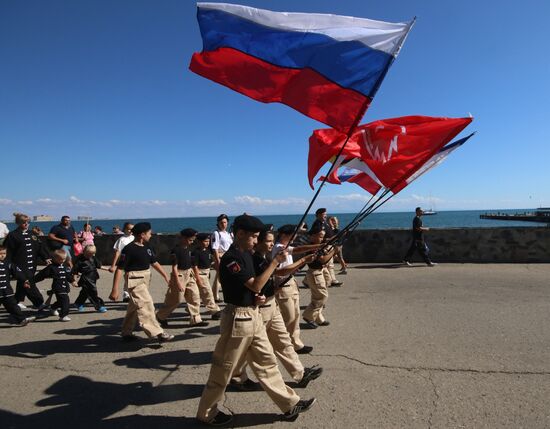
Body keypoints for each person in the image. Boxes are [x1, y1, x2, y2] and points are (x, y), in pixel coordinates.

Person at [196, 214, 316, 425]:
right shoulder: (232, 258)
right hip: (238, 319)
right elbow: (255, 284)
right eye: (253, 236)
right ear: (240, 234)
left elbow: (252, 288)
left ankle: (289, 404)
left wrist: (257, 297)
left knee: (267, 362)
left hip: (253, 314)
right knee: (223, 369)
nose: (255, 241)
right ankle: (207, 413)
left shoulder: (248, 255)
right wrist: (274, 264)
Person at [230, 228, 323, 390]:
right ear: (257, 242)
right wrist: (303, 261)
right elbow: (277, 272)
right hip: (261, 308)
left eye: (272, 241)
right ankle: (236, 376)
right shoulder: (254, 259)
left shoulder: (263, 257)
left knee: (284, 341)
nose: (271, 244)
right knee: (248, 348)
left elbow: (273, 275)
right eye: (267, 241)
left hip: (272, 304)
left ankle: (300, 374)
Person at [110, 222, 174, 343]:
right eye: (149, 233)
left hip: (145, 279)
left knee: (134, 307)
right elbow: (119, 269)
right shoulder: (128, 249)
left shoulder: (147, 247)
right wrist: (115, 289)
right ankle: (158, 333)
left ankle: (126, 332)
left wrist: (165, 276)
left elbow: (154, 262)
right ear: (142, 234)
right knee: (146, 304)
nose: (151, 235)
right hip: (134, 280)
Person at [273, 224, 323, 354]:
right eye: (293, 234)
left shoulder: (284, 247)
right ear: (284, 235)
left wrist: (318, 246)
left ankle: (295, 344)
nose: (295, 236)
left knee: (295, 316)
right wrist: (303, 261)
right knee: (288, 317)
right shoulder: (278, 248)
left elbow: (298, 249)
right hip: (283, 285)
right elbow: (281, 271)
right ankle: (283, 345)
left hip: (291, 283)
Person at [156, 228, 207, 328]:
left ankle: (196, 319)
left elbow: (192, 264)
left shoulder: (188, 249)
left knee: (195, 296)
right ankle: (160, 316)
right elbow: (174, 267)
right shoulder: (176, 250)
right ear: (183, 238)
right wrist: (178, 282)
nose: (192, 242)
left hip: (189, 274)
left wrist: (196, 277)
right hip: (179, 275)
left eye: (193, 240)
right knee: (176, 299)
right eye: (190, 240)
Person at [4, 213, 49, 310]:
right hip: (19, 265)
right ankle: (39, 303)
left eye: (28, 222)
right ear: (18, 223)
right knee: (29, 282)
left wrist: (46, 257)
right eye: (23, 222)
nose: (26, 224)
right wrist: (6, 264)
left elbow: (39, 247)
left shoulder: (32, 234)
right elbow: (8, 251)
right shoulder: (13, 235)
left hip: (32, 264)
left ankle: (17, 301)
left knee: (22, 282)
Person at [302, 225, 336, 329]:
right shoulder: (312, 247)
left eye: (323, 237)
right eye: (320, 236)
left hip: (318, 272)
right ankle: (308, 316)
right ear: (312, 236)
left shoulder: (317, 246)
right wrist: (334, 250)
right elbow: (323, 259)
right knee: (322, 296)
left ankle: (318, 318)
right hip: (315, 273)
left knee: (316, 296)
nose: (322, 239)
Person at [34, 249, 75, 322]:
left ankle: (53, 308)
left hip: (65, 287)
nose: (62, 261)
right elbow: (42, 274)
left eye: (64, 259)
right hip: (57, 287)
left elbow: (67, 275)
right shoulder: (51, 267)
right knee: (65, 301)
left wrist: (72, 281)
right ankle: (63, 315)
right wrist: (32, 281)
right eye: (60, 259)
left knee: (60, 301)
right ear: (55, 259)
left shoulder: (64, 266)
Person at [0, 245, 36, 326]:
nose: (2, 255)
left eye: (4, 253)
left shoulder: (8, 263)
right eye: (0, 253)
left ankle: (22, 319)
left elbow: (17, 272)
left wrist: (24, 280)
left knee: (13, 306)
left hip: (7, 291)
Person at [191, 232, 222, 320]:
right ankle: (214, 311)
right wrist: (198, 279)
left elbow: (211, 263)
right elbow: (195, 267)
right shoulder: (196, 252)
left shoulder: (208, 251)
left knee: (201, 294)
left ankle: (191, 310)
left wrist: (219, 270)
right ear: (200, 242)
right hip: (200, 274)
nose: (207, 243)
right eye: (205, 241)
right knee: (208, 293)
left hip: (207, 273)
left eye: (208, 241)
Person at [311, 208, 342, 287]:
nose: (326, 216)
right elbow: (315, 237)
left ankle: (331, 280)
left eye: (325, 214)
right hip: (324, 245)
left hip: (329, 245)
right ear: (319, 215)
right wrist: (327, 239)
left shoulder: (324, 222)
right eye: (324, 214)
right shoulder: (317, 224)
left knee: (329, 264)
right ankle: (333, 280)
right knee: (328, 265)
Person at [73, 245, 108, 313]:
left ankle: (78, 303)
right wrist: (74, 280)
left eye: (91, 254)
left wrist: (108, 269)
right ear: (84, 251)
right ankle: (98, 306)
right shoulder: (79, 260)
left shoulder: (93, 258)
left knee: (85, 292)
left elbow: (99, 266)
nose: (89, 256)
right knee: (92, 292)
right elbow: (75, 271)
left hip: (93, 277)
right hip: (85, 278)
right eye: (88, 254)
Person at [109, 222, 134, 302]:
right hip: (125, 260)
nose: (130, 231)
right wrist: (113, 265)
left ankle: (130, 293)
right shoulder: (121, 239)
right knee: (127, 276)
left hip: (134, 261)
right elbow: (117, 252)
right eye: (128, 229)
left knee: (132, 277)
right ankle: (126, 293)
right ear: (124, 229)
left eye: (132, 229)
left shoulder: (134, 238)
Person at [211, 214, 233, 302]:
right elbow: (215, 248)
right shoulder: (216, 233)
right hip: (221, 256)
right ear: (218, 223)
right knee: (221, 276)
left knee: (221, 277)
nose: (223, 224)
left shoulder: (228, 234)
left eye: (225, 222)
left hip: (229, 257)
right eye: (221, 222)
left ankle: (214, 295)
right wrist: (218, 261)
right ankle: (215, 296)